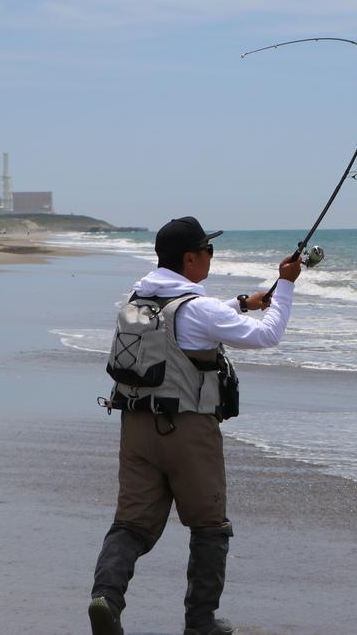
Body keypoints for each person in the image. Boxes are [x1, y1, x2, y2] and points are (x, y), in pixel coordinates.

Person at [88, 216, 302, 635]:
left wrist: (243, 302)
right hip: (187, 431)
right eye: (208, 250)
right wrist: (287, 285)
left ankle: (105, 600)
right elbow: (266, 337)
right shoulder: (199, 310)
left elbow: (183, 317)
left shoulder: (136, 298)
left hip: (135, 428)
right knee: (209, 526)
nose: (210, 257)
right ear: (189, 258)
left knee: (131, 524)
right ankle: (200, 623)